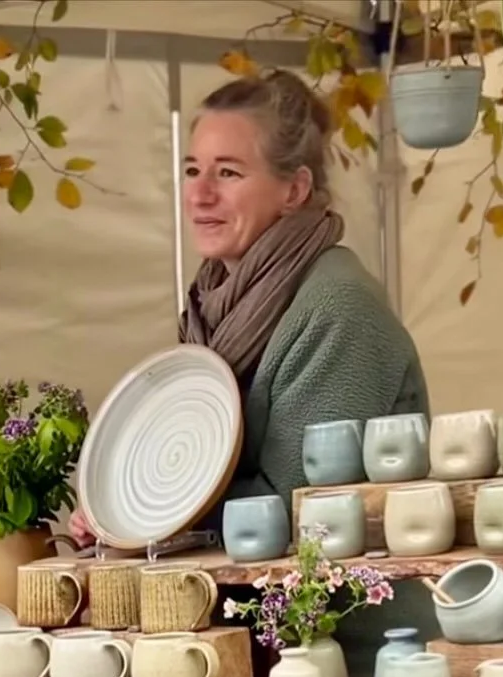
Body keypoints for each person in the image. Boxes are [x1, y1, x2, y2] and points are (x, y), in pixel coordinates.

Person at [68, 68, 429, 548]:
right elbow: (186, 470)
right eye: (192, 170)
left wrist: (147, 521)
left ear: (294, 190)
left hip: (343, 594)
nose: (200, 194)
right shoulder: (210, 307)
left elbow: (293, 506)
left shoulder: (337, 308)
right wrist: (120, 508)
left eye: (228, 172)